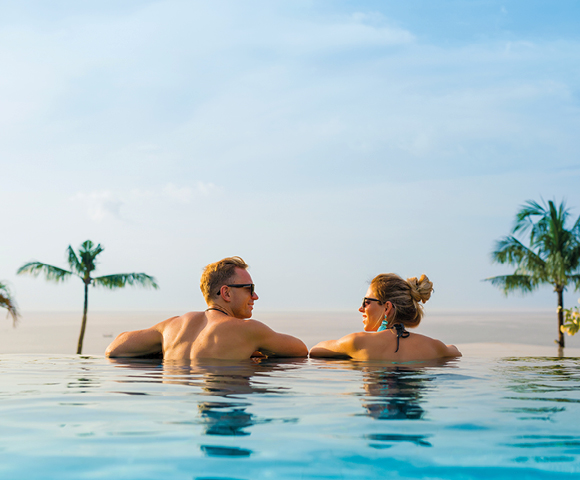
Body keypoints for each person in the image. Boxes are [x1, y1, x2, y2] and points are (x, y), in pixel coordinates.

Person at [106, 256, 308, 360]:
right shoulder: (248, 330)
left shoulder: (171, 327)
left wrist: (162, 349)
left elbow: (113, 349)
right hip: (226, 401)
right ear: (226, 293)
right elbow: (301, 350)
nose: (255, 296)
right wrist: (255, 348)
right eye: (249, 289)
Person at [309, 273, 461, 361]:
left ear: (387, 307)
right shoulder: (434, 347)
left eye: (366, 302)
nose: (361, 308)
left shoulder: (357, 342)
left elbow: (315, 351)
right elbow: (455, 351)